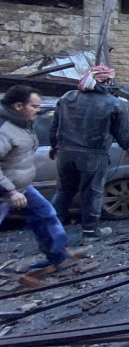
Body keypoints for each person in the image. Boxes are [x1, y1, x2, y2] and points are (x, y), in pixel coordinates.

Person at [51, 65, 129, 240]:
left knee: (64, 190)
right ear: (108, 80)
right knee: (92, 192)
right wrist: (127, 146)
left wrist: (53, 146)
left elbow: (55, 126)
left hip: (65, 152)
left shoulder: (67, 98)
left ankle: (51, 229)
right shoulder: (114, 103)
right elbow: (123, 132)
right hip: (93, 154)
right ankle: (89, 232)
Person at [0, 87, 69, 268]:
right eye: (34, 106)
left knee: (46, 215)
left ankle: (58, 258)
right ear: (18, 106)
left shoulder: (21, 123)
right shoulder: (3, 130)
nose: (38, 110)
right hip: (6, 191)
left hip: (21, 187)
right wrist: (10, 191)